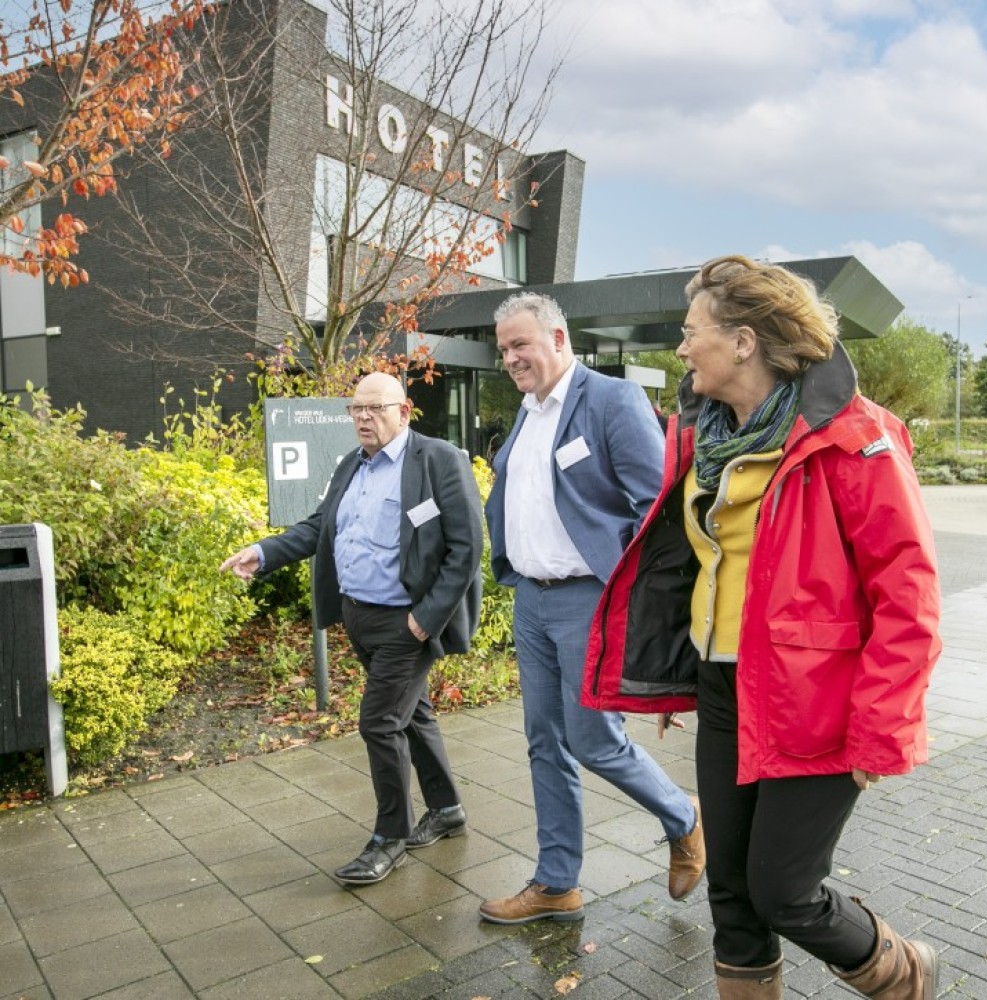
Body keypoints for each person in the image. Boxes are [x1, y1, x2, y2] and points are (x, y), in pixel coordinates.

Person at [583, 256, 941, 998]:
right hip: (725, 687)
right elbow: (688, 568)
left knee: (784, 891)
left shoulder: (853, 439)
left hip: (819, 701)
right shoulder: (703, 436)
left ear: (743, 341)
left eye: (691, 333)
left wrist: (882, 726)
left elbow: (908, 599)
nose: (681, 350)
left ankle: (901, 971)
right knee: (733, 895)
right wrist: (675, 672)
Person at [480, 291, 704, 925]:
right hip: (531, 599)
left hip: (588, 598)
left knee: (593, 742)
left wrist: (643, 618)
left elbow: (656, 512)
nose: (510, 359)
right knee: (542, 742)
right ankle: (556, 883)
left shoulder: (610, 400)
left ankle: (684, 816)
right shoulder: (527, 410)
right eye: (503, 350)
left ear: (557, 338)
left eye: (520, 344)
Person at [220, 372, 483, 886]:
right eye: (355, 409)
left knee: (379, 722)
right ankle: (447, 809)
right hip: (359, 616)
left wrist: (424, 620)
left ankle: (390, 838)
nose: (363, 417)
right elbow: (321, 526)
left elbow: (466, 548)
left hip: (407, 623)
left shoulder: (437, 461)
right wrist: (265, 551)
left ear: (404, 411)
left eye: (374, 408)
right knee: (413, 714)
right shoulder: (350, 465)